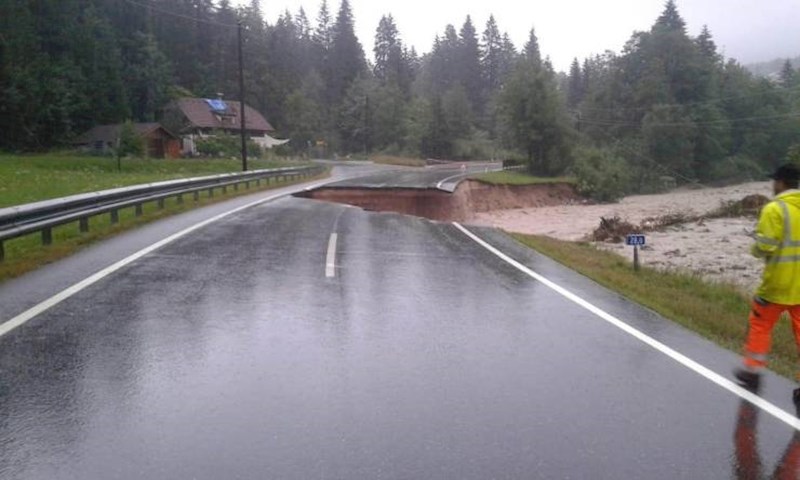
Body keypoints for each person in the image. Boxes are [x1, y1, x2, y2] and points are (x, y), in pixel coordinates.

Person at [735, 163, 800, 404]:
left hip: (776, 286)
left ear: (781, 183)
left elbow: (765, 246)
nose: (772, 185)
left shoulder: (774, 209)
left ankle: (752, 373)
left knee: (759, 326)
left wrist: (755, 244)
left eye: (774, 181)